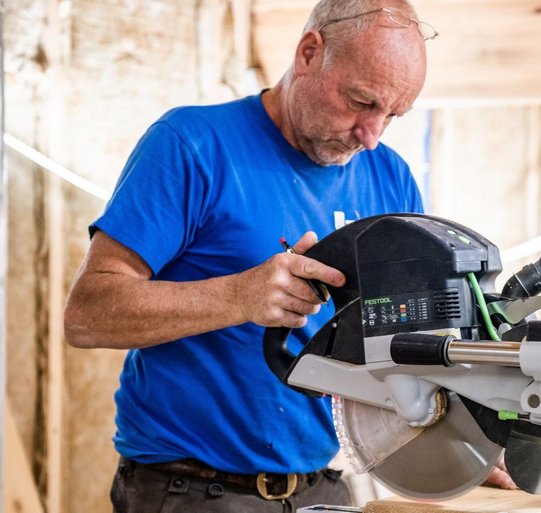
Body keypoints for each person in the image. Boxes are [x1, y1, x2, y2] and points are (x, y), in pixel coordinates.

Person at [64, 1, 436, 511]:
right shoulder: (192, 145)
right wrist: (240, 296)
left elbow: (418, 341)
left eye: (392, 115)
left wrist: (477, 434)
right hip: (192, 491)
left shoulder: (391, 178)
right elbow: (86, 316)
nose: (370, 135)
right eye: (360, 101)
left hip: (322, 488)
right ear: (309, 53)